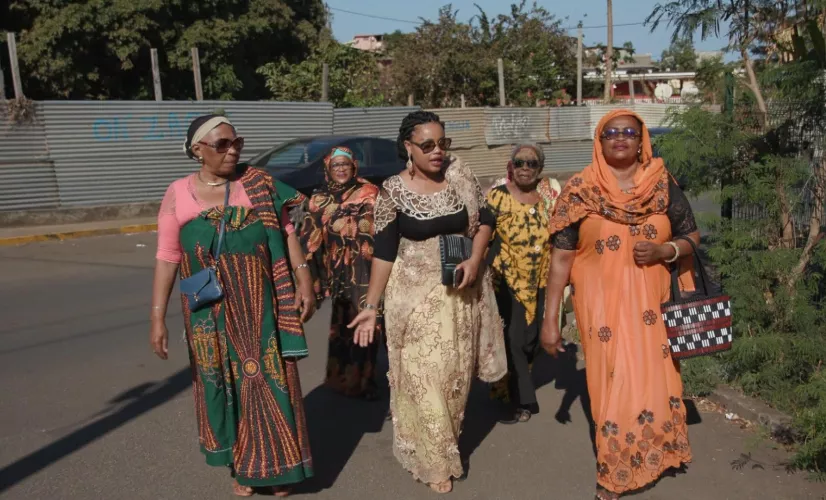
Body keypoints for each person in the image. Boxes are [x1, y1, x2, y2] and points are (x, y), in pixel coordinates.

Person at [149, 114, 316, 497]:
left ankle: (280, 468)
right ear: (197, 151)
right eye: (222, 144)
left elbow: (287, 232)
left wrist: (303, 278)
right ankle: (244, 465)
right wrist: (156, 317)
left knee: (268, 380)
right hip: (207, 310)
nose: (233, 150)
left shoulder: (257, 183)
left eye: (236, 141)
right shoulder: (178, 192)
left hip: (261, 304)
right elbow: (167, 256)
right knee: (224, 383)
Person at [542, 109, 699, 499]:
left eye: (629, 131)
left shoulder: (662, 184)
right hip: (602, 314)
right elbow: (561, 259)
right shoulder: (580, 189)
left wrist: (666, 249)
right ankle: (616, 472)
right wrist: (550, 320)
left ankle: (660, 453)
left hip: (653, 308)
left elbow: (691, 236)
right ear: (599, 140)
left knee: (655, 379)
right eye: (610, 132)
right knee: (613, 383)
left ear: (641, 138)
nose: (620, 137)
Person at [347, 111, 507, 494]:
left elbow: (485, 220)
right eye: (428, 145)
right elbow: (384, 253)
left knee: (453, 380)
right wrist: (370, 307)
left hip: (457, 296)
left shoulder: (459, 174)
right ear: (408, 147)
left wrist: (475, 258)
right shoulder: (392, 191)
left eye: (443, 143)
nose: (438, 152)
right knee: (425, 378)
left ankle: (439, 441)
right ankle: (438, 462)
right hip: (412, 299)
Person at [486, 144, 562, 424]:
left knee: (532, 341)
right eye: (520, 163)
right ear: (512, 166)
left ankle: (503, 386)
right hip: (505, 281)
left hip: (540, 280)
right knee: (514, 339)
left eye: (531, 164)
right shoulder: (498, 197)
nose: (525, 168)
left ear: (540, 169)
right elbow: (482, 233)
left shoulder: (548, 200)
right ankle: (523, 399)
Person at [299, 146, 383, 400]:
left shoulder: (370, 192)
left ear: (354, 166)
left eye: (345, 164)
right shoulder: (319, 199)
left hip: (368, 268)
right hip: (339, 270)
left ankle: (364, 381)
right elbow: (309, 238)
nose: (341, 169)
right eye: (335, 165)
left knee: (369, 322)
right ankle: (342, 378)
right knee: (343, 324)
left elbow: (386, 226)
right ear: (328, 169)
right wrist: (308, 278)